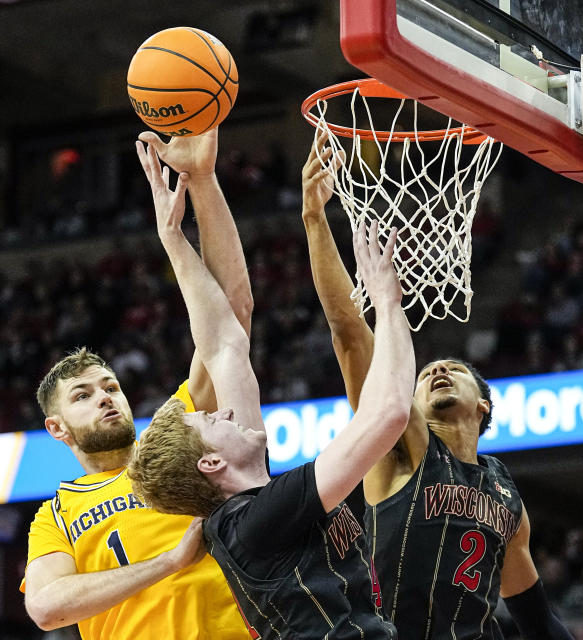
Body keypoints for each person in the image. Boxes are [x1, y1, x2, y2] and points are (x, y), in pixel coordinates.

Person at [128, 137, 415, 639]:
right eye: (212, 420)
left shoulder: (245, 513)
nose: (224, 412)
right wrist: (389, 305)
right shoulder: (258, 519)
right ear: (212, 463)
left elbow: (224, 347)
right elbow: (387, 412)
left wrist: (174, 234)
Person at [300, 134, 574, 640]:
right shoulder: (401, 445)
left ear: (483, 405)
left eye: (453, 368)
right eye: (426, 373)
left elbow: (536, 616)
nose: (436, 371)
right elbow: (349, 334)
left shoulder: (506, 495)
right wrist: (316, 222)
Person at [21, 128, 252, 639]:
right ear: (56, 428)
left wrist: (204, 182)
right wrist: (169, 562)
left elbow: (229, 321)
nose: (105, 397)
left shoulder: (174, 435)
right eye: (83, 396)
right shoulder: (56, 513)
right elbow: (47, 608)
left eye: (109, 387)